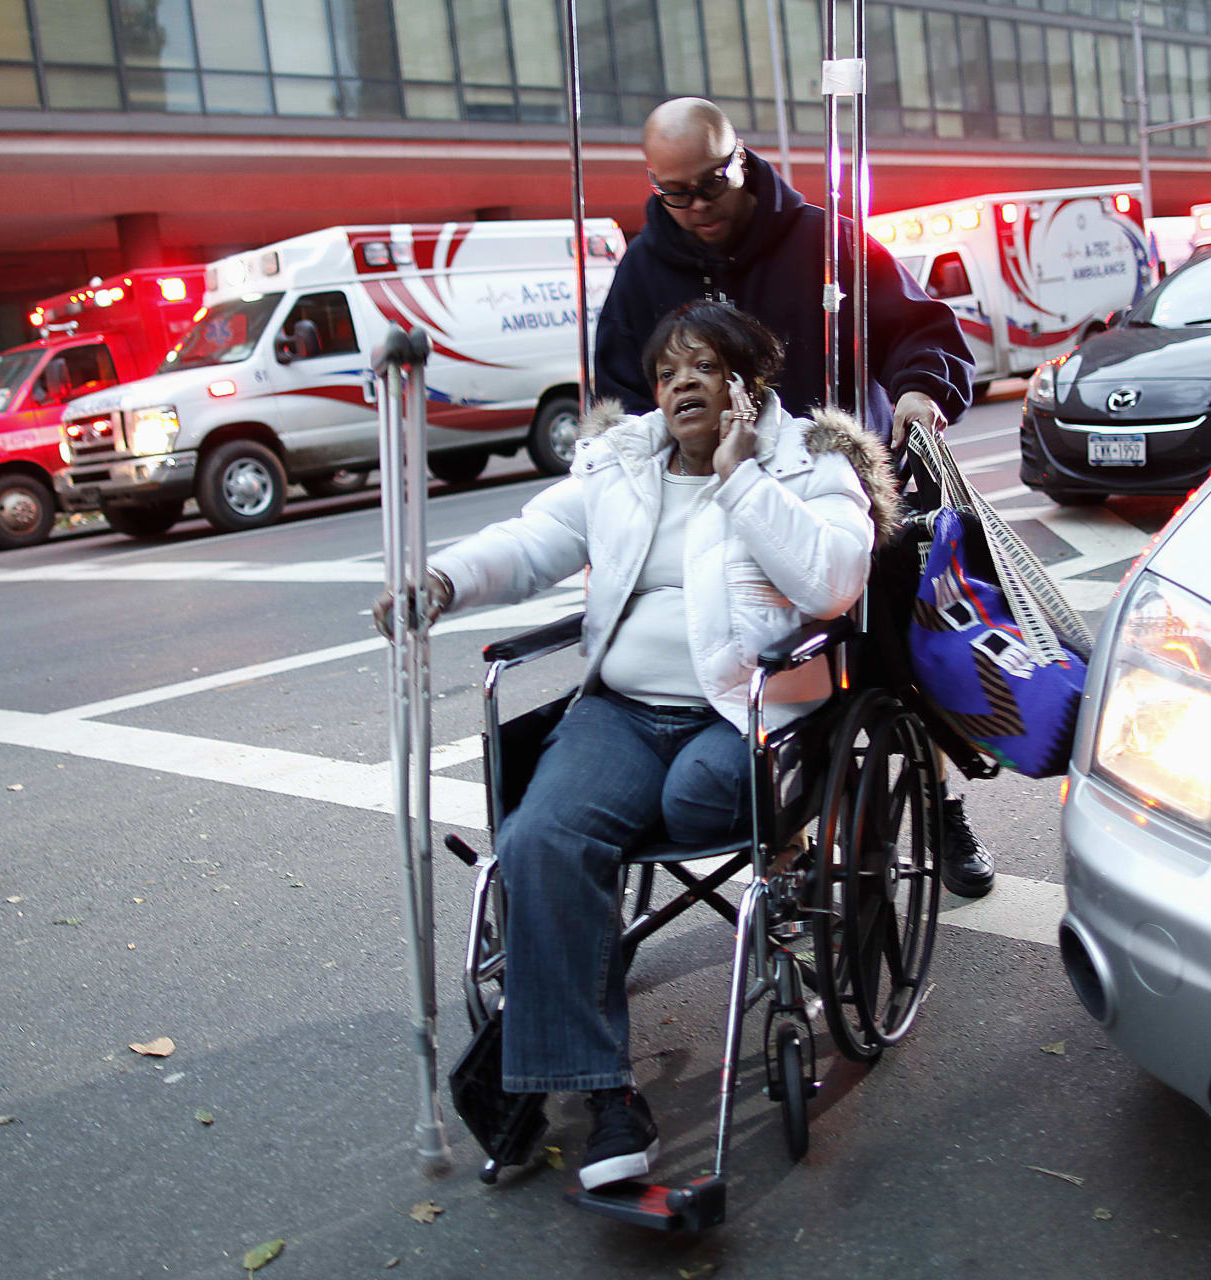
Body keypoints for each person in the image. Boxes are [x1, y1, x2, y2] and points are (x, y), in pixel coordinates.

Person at [377, 301, 898, 1190]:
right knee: (542, 837)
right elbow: (536, 539)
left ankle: (576, 990)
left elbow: (832, 580)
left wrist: (740, 479)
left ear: (748, 383)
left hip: (744, 710)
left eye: (703, 367)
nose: (680, 385)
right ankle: (606, 1096)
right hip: (623, 711)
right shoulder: (620, 463)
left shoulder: (811, 461)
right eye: (666, 372)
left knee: (695, 800)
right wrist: (442, 580)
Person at [595, 96, 995, 899]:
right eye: (675, 193)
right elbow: (617, 388)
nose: (697, 207)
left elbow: (925, 330)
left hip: (840, 491)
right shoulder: (645, 267)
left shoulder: (828, 238)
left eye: (711, 183)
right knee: (765, 673)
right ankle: (789, 845)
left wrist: (920, 392)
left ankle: (941, 801)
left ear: (742, 157)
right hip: (722, 514)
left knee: (898, 654)